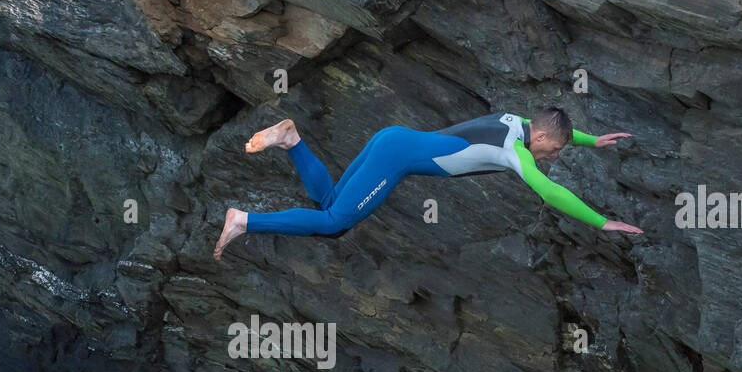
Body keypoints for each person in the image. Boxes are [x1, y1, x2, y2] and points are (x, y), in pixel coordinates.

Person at [213, 107, 642, 259]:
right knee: (331, 224)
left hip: (392, 138)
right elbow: (550, 192)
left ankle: (291, 139)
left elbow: (555, 127)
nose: (555, 156)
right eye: (557, 149)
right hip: (395, 157)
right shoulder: (517, 153)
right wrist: (602, 222)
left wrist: (592, 140)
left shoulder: (518, 121)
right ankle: (244, 220)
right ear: (542, 138)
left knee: (330, 207)